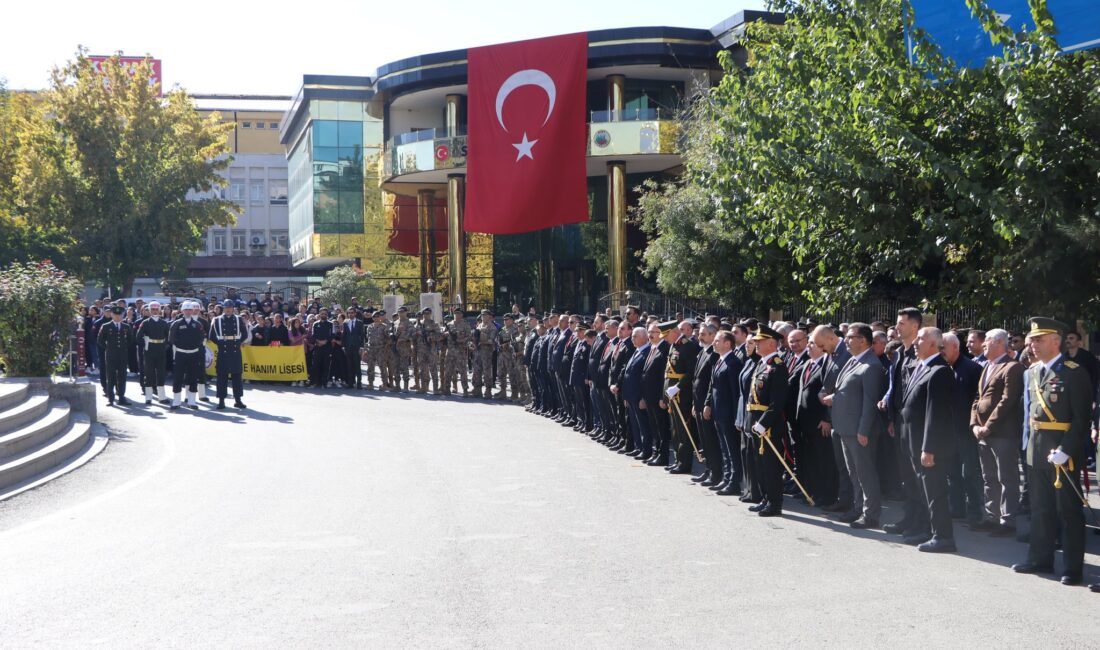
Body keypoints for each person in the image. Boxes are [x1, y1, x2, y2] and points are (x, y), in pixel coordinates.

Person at [1011, 317, 1091, 586]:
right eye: (1032, 340)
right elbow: (1028, 415)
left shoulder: (1074, 372)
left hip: (1062, 455)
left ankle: (1072, 567)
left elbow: (1081, 419)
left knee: (1068, 513)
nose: (1032, 344)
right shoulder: (1031, 373)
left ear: (1056, 341)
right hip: (1036, 450)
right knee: (1040, 509)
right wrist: (1026, 446)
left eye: (1039, 339)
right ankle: (1040, 558)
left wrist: (1067, 450)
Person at [899, 327, 957, 552]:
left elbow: (937, 413)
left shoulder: (939, 371)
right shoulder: (922, 367)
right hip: (912, 441)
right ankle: (926, 530)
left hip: (929, 445)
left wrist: (928, 448)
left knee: (935, 493)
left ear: (934, 344)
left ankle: (944, 537)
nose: (915, 342)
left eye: (920, 338)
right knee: (922, 491)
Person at [823, 323, 885, 529]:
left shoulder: (871, 365)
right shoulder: (853, 361)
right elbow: (848, 390)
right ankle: (858, 509)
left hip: (858, 431)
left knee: (865, 472)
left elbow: (869, 402)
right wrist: (835, 397)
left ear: (863, 340)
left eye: (851, 337)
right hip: (844, 427)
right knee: (854, 473)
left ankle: (871, 514)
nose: (846, 340)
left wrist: (863, 430)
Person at [970, 328, 1024, 537]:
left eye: (988, 342)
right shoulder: (987, 367)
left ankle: (1007, 521)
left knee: (1007, 477)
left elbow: (1008, 401)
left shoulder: (1012, 367)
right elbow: (978, 398)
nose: (983, 345)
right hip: (982, 432)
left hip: (1002, 432)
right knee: (989, 476)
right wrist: (974, 424)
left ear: (1000, 343)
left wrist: (988, 426)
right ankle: (991, 516)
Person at [745, 325, 789, 517]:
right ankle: (766, 497)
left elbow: (777, 401)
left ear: (771, 343)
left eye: (759, 341)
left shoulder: (778, 366)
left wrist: (764, 422)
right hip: (755, 420)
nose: (756, 344)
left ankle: (775, 502)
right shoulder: (762, 363)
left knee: (770, 464)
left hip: (768, 424)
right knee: (759, 463)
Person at [706, 329, 744, 495]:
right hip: (718, 411)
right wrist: (708, 404)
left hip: (728, 413)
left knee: (731, 449)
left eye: (717, 340)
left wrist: (737, 416)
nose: (714, 343)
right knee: (724, 448)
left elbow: (736, 393)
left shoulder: (733, 363)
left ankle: (734, 482)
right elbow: (713, 386)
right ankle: (727, 478)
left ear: (727, 343)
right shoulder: (720, 360)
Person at [663, 319, 701, 475]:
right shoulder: (674, 345)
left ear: (674, 332)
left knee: (683, 430)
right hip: (672, 394)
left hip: (682, 395)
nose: (664, 338)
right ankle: (678, 460)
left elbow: (691, 372)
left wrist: (678, 387)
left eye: (666, 335)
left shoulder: (688, 346)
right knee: (675, 430)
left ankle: (684, 464)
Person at [210, 300, 251, 409]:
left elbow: (245, 334)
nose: (228, 309)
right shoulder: (217, 320)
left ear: (233, 308)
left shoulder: (238, 319)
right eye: (226, 307)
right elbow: (212, 336)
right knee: (221, 377)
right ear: (223, 308)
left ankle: (238, 400)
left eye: (230, 307)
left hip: (235, 350)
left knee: (237, 376)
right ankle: (221, 401)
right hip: (223, 350)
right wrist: (220, 343)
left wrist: (238, 342)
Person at [620, 326, 652, 459]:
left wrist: (643, 397)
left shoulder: (647, 352)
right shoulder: (636, 351)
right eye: (632, 336)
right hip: (631, 395)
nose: (632, 338)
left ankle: (646, 450)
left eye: (635, 336)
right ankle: (639, 447)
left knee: (643, 425)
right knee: (634, 423)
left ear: (645, 337)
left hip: (639, 396)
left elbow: (644, 378)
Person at [642, 322, 671, 466]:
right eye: (649, 331)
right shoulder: (652, 348)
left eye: (653, 331)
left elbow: (663, 377)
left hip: (657, 397)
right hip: (649, 396)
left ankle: (663, 456)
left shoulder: (664, 349)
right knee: (654, 427)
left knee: (661, 427)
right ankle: (656, 452)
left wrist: (662, 397)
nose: (650, 334)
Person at [169, 301, 207, 410]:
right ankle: (176, 401)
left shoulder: (198, 324)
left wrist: (193, 346)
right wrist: (181, 345)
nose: (188, 311)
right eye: (186, 309)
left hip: (193, 354)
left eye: (190, 309)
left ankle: (192, 401)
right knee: (178, 377)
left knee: (193, 377)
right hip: (180, 353)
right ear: (182, 311)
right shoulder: (176, 323)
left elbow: (201, 338)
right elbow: (171, 339)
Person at [136, 301, 171, 405]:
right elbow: (138, 337)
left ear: (159, 310)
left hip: (160, 350)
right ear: (150, 311)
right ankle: (148, 397)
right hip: (149, 350)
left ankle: (162, 397)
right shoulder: (145, 322)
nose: (155, 311)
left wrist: (165, 347)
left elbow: (168, 338)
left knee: (161, 374)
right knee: (149, 373)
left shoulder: (164, 323)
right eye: (153, 309)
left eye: (156, 309)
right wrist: (145, 344)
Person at [98, 305, 133, 406]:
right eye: (115, 315)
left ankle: (121, 397)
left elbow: (130, 340)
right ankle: (111, 398)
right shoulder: (106, 326)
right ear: (111, 315)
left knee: (122, 377)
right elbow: (100, 340)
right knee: (111, 376)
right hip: (110, 355)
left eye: (120, 315)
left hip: (122, 355)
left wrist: (123, 348)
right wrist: (108, 348)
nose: (118, 317)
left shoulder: (126, 327)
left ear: (123, 315)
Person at [311, 308, 336, 388]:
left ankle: (324, 383)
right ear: (319, 314)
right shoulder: (315, 324)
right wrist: (318, 342)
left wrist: (325, 341)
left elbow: (333, 334)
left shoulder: (331, 324)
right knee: (316, 365)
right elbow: (313, 335)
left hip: (327, 347)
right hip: (318, 347)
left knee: (326, 365)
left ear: (327, 315)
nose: (323, 315)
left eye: (325, 314)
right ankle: (315, 382)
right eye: (322, 313)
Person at [343, 307, 366, 390]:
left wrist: (362, 347)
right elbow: (344, 335)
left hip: (357, 348)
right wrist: (343, 346)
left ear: (355, 313)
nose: (350, 314)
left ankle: (359, 384)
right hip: (348, 347)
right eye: (349, 313)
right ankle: (350, 383)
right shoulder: (345, 322)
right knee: (349, 366)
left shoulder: (360, 323)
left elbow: (362, 336)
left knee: (357, 366)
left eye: (352, 312)